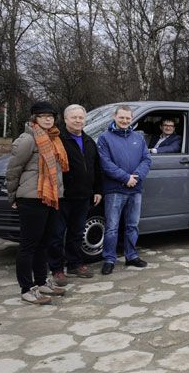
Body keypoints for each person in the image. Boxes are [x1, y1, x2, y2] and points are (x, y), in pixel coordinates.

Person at [6, 101, 69, 304]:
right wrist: (12, 196)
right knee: (29, 245)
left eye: (50, 116)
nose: (48, 119)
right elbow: (13, 170)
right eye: (43, 116)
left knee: (44, 243)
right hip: (31, 199)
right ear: (35, 118)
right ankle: (27, 288)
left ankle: (41, 281)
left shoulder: (53, 138)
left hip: (50, 198)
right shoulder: (27, 139)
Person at [47, 104, 101, 286]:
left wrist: (98, 190)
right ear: (65, 119)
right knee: (57, 234)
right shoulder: (57, 140)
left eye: (81, 118)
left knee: (76, 233)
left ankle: (75, 264)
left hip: (84, 195)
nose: (78, 121)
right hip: (62, 196)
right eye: (74, 118)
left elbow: (96, 168)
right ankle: (56, 269)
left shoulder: (89, 141)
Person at [98, 105, 152, 275]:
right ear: (115, 117)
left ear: (131, 118)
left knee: (132, 225)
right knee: (112, 227)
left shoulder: (138, 137)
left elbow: (146, 159)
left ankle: (131, 255)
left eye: (128, 118)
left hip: (135, 189)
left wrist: (136, 176)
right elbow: (105, 163)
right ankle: (109, 259)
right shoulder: (105, 138)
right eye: (121, 117)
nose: (125, 121)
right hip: (115, 189)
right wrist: (125, 178)